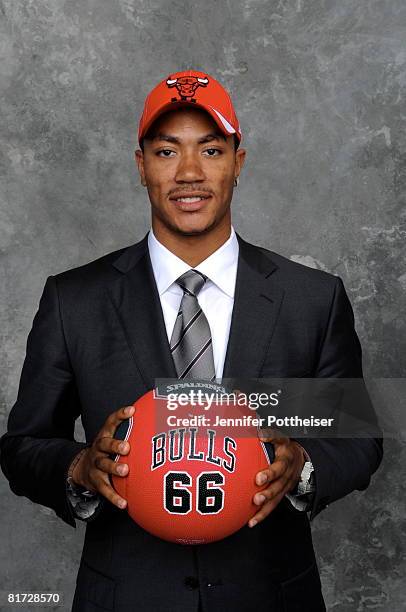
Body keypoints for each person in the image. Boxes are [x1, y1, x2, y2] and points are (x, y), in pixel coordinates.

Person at [0, 70, 382, 612]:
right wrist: (80, 468)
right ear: (141, 167)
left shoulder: (310, 300)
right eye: (165, 151)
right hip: (126, 597)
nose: (189, 173)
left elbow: (357, 440)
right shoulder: (75, 301)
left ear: (238, 163)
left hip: (270, 596)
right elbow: (24, 444)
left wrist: (303, 465)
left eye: (210, 149)